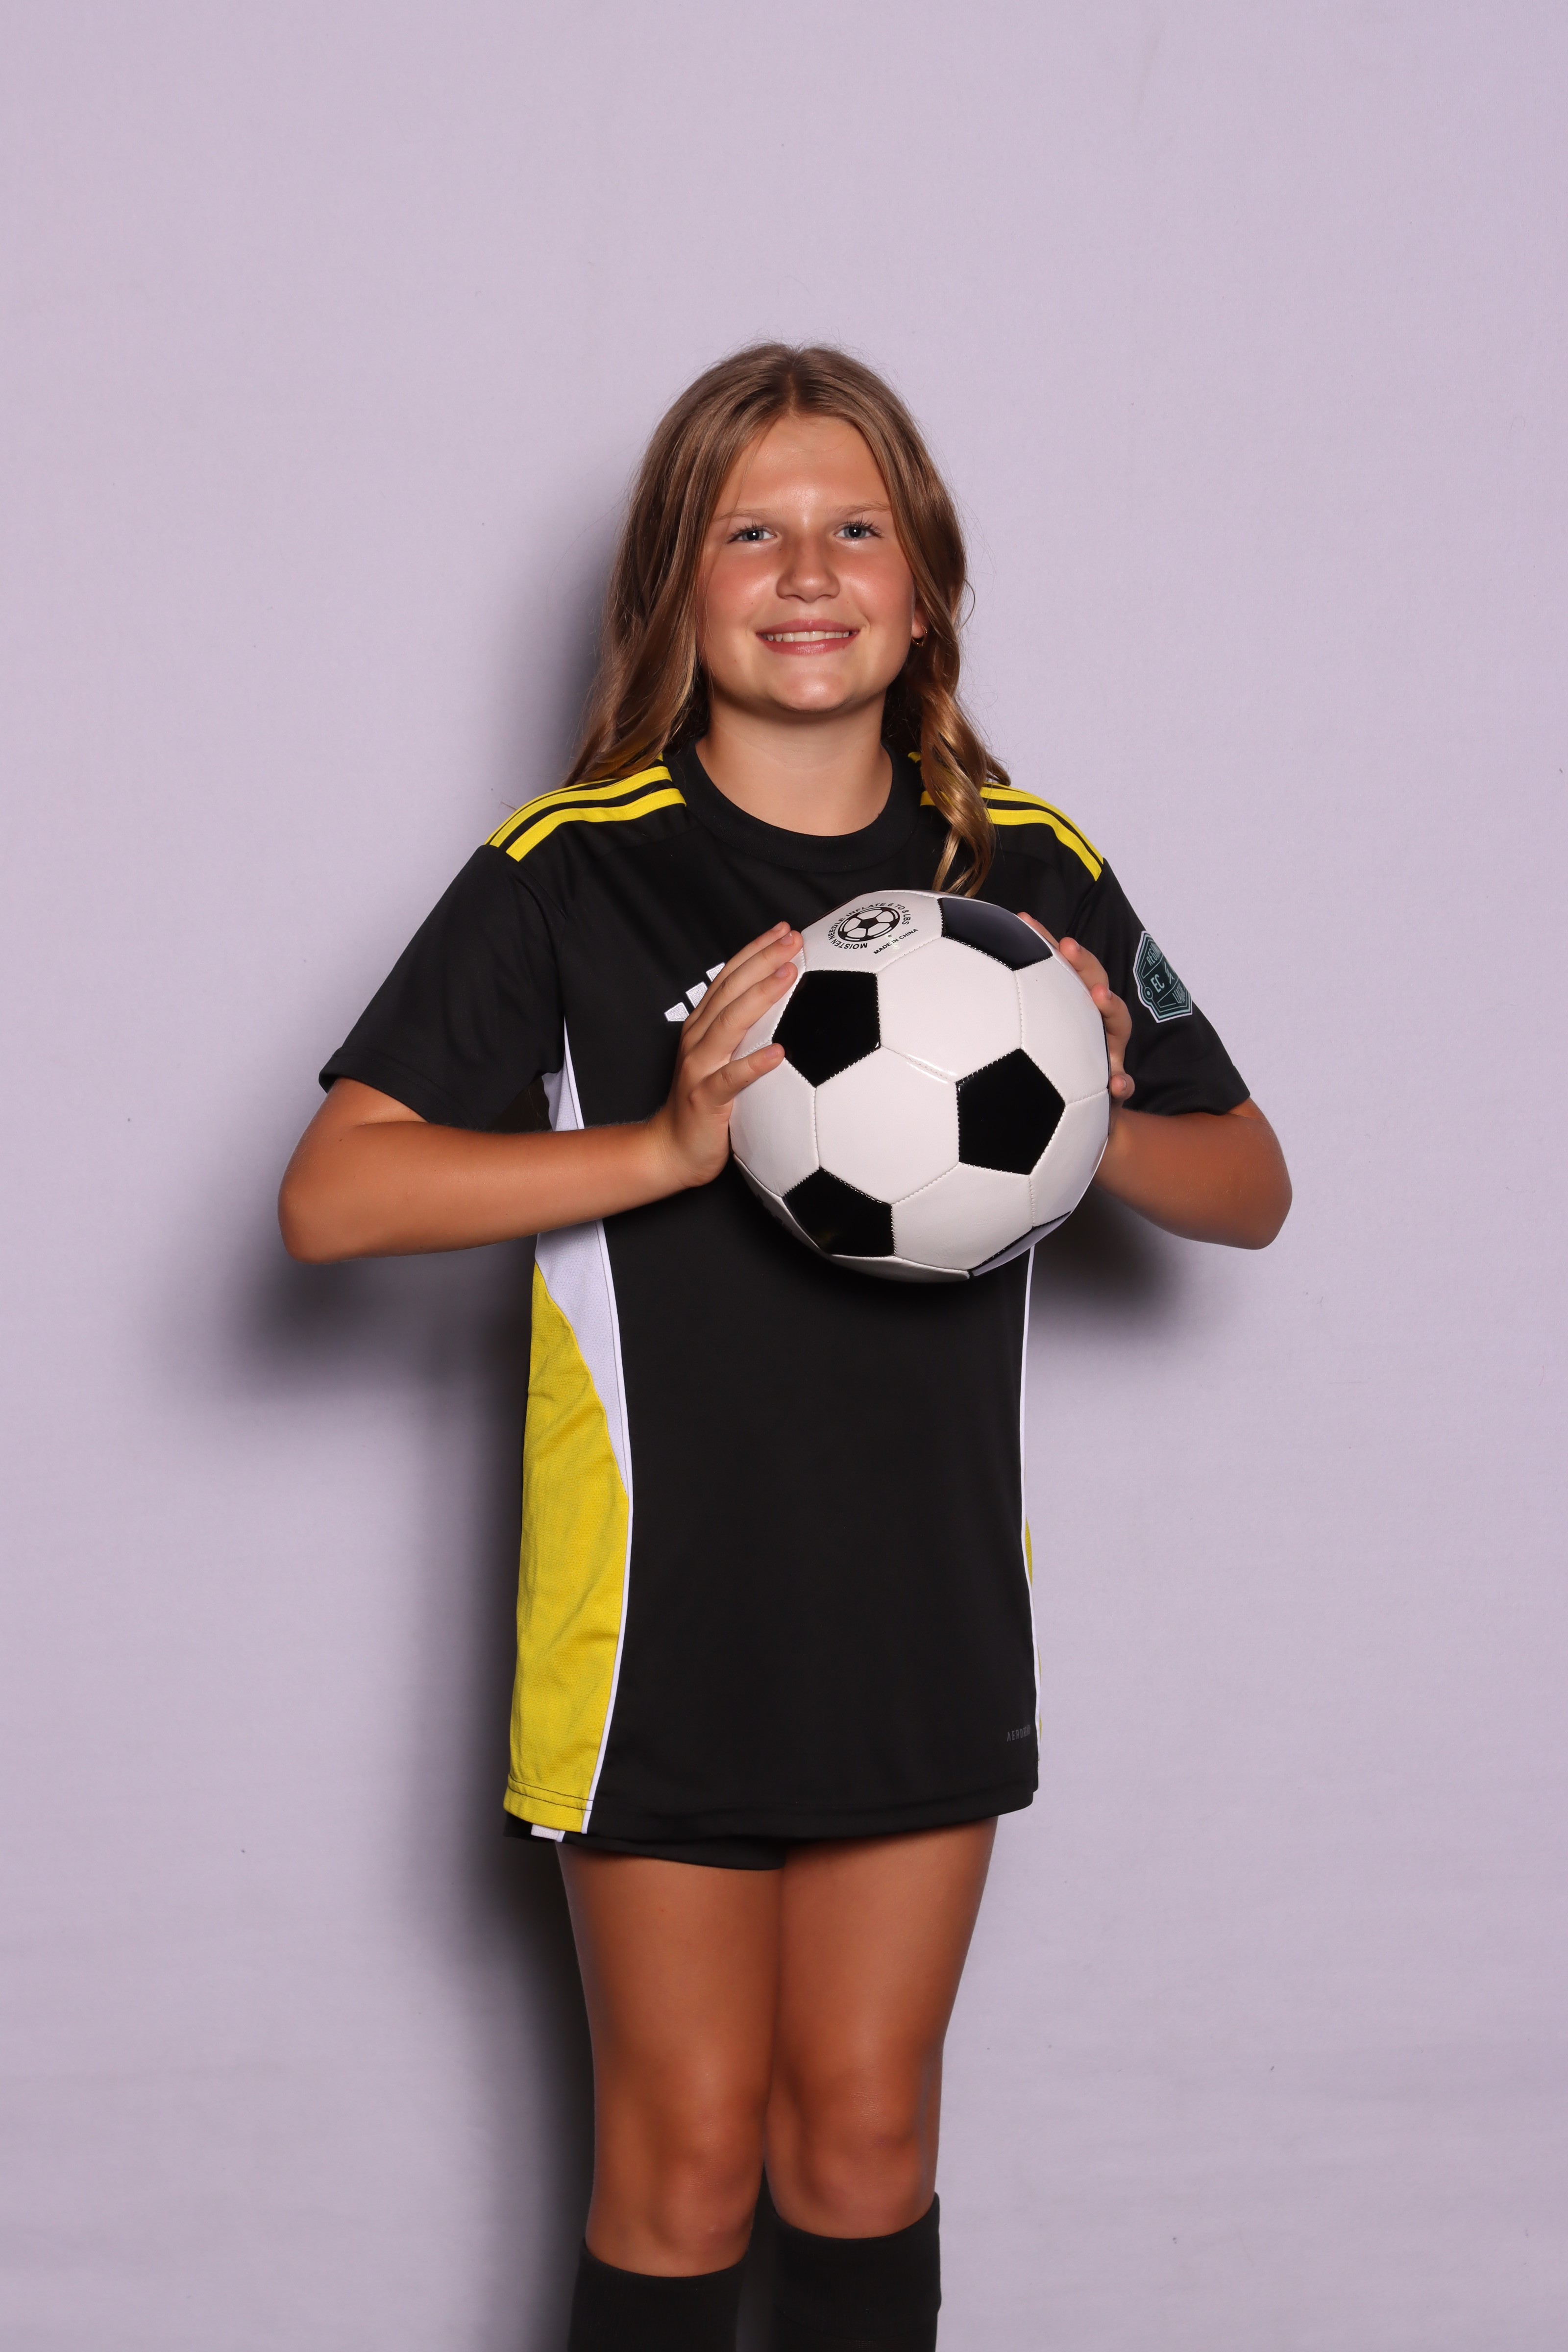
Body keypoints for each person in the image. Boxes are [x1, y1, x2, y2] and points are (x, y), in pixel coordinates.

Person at [279, 343, 1291, 2352]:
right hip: (657, 1617)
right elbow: (335, 1199)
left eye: (856, 530)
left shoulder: (1025, 873)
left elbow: (1247, 1184)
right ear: (677, 579)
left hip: (922, 1601)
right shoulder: (573, 865)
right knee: (681, 2159)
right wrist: (662, 1148)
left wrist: (1088, 1118)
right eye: (751, 532)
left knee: (863, 2139)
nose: (808, 572)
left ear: (926, 586)